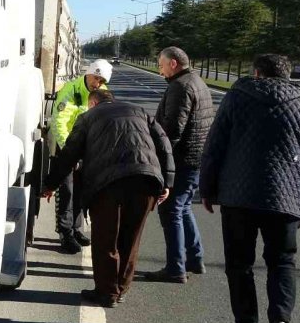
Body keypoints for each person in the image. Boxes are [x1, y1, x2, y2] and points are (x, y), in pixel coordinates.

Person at [200, 54, 300, 323]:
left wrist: (206, 189)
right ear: (287, 75)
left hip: (238, 197)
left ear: (257, 73)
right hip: (287, 199)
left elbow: (214, 146)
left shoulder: (236, 99)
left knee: (239, 263)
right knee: (282, 261)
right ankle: (280, 321)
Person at [44, 90, 173, 307]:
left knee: (106, 239)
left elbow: (70, 153)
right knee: (131, 239)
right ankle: (121, 289)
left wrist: (50, 184)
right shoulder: (140, 111)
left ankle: (107, 292)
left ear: (93, 103)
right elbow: (164, 144)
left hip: (106, 185)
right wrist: (167, 182)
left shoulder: (88, 118)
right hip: (145, 181)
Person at [141, 47, 213, 283]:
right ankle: (195, 258)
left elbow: (172, 130)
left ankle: (175, 268)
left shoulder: (180, 87)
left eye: (161, 65)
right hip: (195, 158)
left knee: (171, 210)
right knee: (183, 208)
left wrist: (159, 158)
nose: (159, 70)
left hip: (181, 159)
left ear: (173, 63)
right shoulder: (196, 81)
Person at [49, 58, 113, 254]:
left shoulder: (102, 93)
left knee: (82, 190)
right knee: (66, 190)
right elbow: (59, 122)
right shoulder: (72, 90)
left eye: (102, 81)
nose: (98, 84)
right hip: (68, 146)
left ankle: (76, 228)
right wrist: (70, 152)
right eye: (96, 78)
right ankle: (65, 233)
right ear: (89, 73)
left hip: (88, 149)